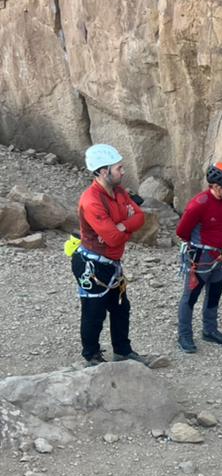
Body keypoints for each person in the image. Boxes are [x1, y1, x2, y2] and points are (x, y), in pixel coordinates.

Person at [72, 143, 148, 366]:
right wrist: (124, 227)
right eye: (119, 168)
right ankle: (91, 356)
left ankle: (123, 351)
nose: (123, 171)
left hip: (110, 262)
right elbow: (114, 238)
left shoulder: (119, 191)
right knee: (94, 312)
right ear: (104, 171)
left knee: (121, 308)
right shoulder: (92, 200)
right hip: (93, 265)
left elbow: (140, 217)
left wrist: (122, 227)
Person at [175, 162, 222, 353]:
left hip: (219, 255)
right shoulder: (198, 204)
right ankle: (184, 335)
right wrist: (197, 247)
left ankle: (209, 329)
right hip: (201, 256)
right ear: (217, 187)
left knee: (215, 293)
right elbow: (182, 231)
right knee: (191, 296)